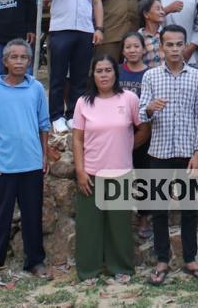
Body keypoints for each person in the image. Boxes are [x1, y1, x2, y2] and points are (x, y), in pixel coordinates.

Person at [138, 25, 198, 285]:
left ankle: (190, 258)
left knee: (189, 208)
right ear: (161, 47)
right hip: (159, 151)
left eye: (178, 44)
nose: (174, 49)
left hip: (187, 153)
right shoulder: (150, 77)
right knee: (159, 208)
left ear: (185, 46)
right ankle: (162, 259)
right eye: (168, 44)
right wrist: (149, 108)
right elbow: (139, 114)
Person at [0, 39, 51, 283]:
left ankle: (35, 262)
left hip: (31, 163)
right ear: (4, 61)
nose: (19, 61)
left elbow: (43, 125)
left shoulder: (36, 89)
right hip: (2, 166)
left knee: (32, 216)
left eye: (24, 57)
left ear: (30, 61)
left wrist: (44, 155)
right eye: (14, 57)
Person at [72, 55, 149, 282]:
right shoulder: (83, 103)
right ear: (92, 75)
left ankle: (121, 268)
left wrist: (126, 147)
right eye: (99, 71)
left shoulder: (129, 99)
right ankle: (89, 270)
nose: (104, 75)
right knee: (89, 226)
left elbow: (143, 129)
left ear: (116, 74)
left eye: (108, 70)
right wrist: (80, 170)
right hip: (92, 173)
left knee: (119, 227)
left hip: (120, 172)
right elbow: (77, 139)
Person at [41, 0, 105, 133]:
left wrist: (99, 28)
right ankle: (56, 115)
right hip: (61, 29)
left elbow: (97, 2)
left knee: (79, 76)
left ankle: (73, 115)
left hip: (85, 30)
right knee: (58, 75)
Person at [118, 31, 153, 239]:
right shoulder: (116, 72)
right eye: (128, 47)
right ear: (122, 50)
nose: (132, 50)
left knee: (143, 176)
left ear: (143, 49)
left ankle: (143, 218)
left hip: (144, 133)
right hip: (118, 133)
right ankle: (118, 218)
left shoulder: (150, 74)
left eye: (136, 46)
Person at [137, 0, 166, 69]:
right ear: (146, 14)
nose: (162, 12)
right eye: (158, 9)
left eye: (162, 9)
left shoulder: (166, 35)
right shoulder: (138, 37)